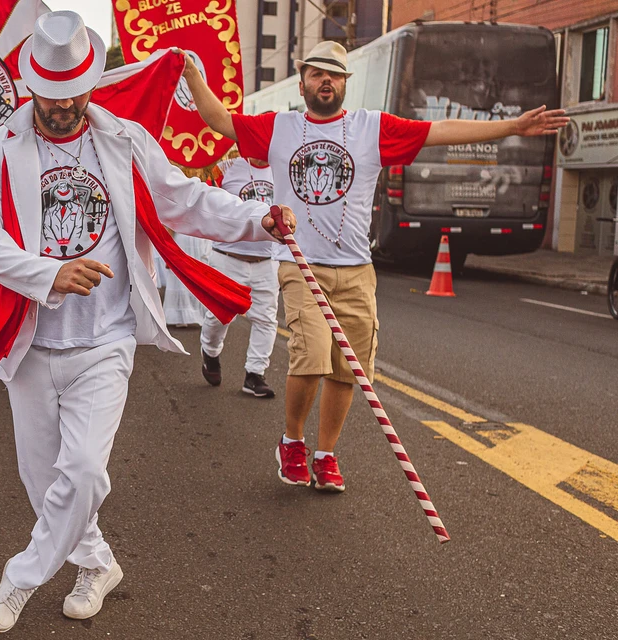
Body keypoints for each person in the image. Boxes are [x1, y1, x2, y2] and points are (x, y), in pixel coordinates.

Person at [0, 12, 295, 632]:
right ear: (33, 85)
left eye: (74, 97)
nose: (64, 109)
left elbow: (185, 200)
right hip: (32, 338)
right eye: (52, 98)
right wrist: (47, 273)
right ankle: (97, 564)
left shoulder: (124, 138)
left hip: (106, 337)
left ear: (90, 83)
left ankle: (22, 578)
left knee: (84, 469)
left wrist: (258, 220)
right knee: (44, 483)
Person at [186, 40, 568, 492]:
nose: (325, 80)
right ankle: (292, 442)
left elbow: (439, 129)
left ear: (345, 83)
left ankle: (325, 454)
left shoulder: (372, 128)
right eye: (316, 73)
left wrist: (513, 126)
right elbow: (220, 120)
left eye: (334, 74)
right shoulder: (279, 128)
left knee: (348, 369)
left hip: (356, 269)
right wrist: (191, 73)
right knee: (309, 357)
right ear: (304, 80)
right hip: (300, 263)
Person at [199, 147, 281, 398]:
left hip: (267, 259)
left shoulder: (283, 171)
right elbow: (205, 198)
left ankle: (254, 374)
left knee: (266, 319)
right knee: (219, 316)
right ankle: (210, 352)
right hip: (228, 258)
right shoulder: (227, 167)